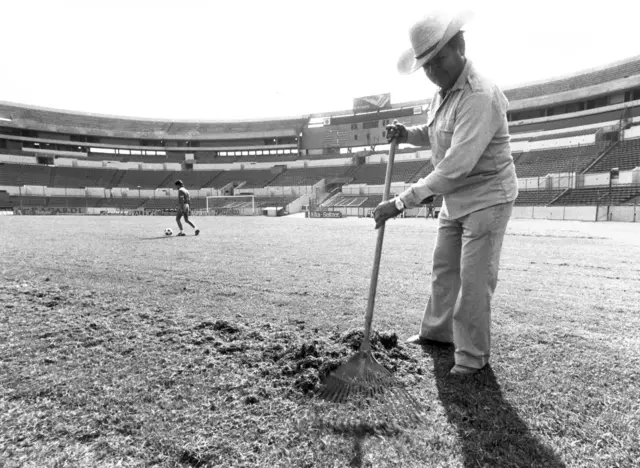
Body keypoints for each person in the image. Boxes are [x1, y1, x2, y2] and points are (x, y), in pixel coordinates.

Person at [373, 11, 518, 376]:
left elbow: (455, 165)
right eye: (426, 65)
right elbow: (436, 132)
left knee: (474, 280)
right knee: (444, 270)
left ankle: (471, 357)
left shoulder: (479, 95)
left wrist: (400, 202)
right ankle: (437, 334)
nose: (434, 70)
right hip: (455, 201)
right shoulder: (443, 95)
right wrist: (408, 134)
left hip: (487, 197)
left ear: (460, 47)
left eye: (439, 59)